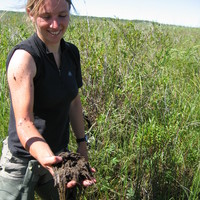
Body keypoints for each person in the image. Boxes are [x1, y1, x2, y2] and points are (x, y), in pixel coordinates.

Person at [0, 0, 96, 199]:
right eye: (46, 17)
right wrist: (48, 158)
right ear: (31, 14)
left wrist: (81, 143)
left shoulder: (71, 53)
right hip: (22, 159)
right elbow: (24, 122)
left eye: (62, 15)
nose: (55, 25)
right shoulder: (24, 58)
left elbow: (74, 101)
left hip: (60, 155)